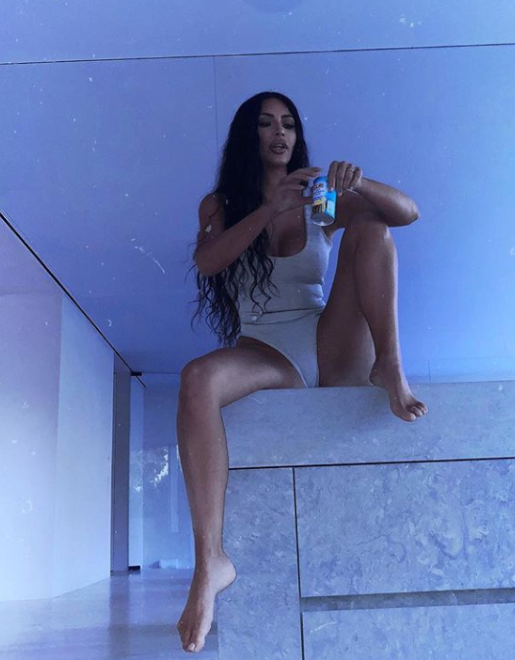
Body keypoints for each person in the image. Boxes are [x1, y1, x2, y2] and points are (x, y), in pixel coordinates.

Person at [176, 91, 428, 654]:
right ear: (248, 135)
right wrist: (268, 209)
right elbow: (208, 262)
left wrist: (359, 184)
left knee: (373, 227)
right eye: (266, 123)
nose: (279, 133)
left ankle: (389, 362)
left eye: (288, 124)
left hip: (330, 339)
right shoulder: (220, 204)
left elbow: (407, 213)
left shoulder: (320, 196)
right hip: (266, 348)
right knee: (196, 379)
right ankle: (210, 562)